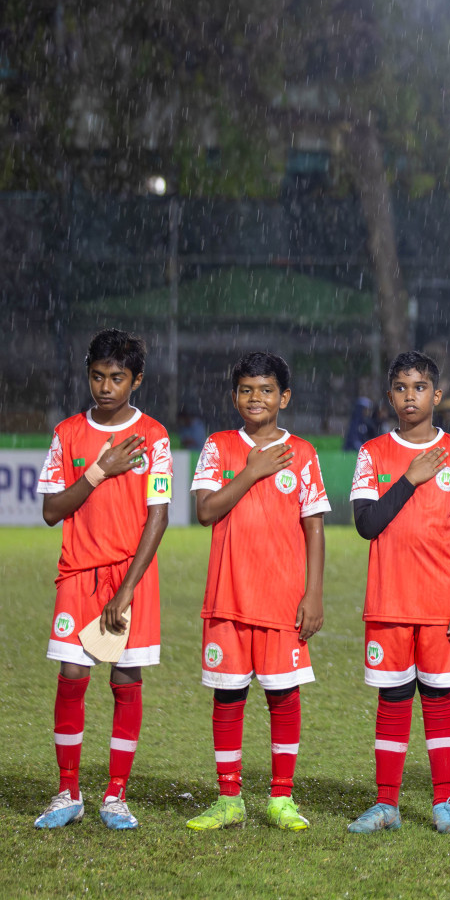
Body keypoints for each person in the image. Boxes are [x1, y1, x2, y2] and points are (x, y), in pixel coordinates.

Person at [33, 329, 172, 830]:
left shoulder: (154, 437)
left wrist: (128, 589)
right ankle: (68, 791)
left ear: (136, 380)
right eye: (98, 376)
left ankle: (116, 796)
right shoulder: (67, 433)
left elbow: (158, 515)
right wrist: (98, 471)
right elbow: (52, 511)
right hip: (79, 572)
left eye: (117, 378)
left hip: (130, 576)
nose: (106, 387)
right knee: (72, 676)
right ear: (87, 374)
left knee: (125, 678)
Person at [185, 352, 329, 833]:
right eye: (246, 390)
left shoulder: (303, 454)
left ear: (283, 398)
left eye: (266, 390)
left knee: (283, 696)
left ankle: (281, 798)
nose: (255, 398)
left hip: (283, 598)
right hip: (228, 596)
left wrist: (314, 594)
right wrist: (250, 471)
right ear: (234, 396)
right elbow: (206, 511)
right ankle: (229, 798)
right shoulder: (219, 446)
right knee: (228, 697)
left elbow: (314, 529)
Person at [345, 352, 450, 835]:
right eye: (401, 388)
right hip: (389, 600)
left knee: (440, 698)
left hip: (442, 603)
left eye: (420, 387)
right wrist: (409, 479)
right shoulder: (373, 454)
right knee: (394, 698)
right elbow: (367, 524)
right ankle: (386, 804)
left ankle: (444, 803)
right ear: (390, 397)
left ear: (437, 396)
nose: (411, 396)